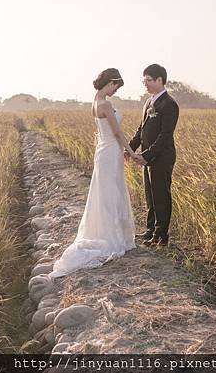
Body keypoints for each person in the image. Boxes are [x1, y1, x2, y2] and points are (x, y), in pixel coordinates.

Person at [48, 68, 139, 279]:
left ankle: (112, 233)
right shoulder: (105, 104)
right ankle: (112, 237)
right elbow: (117, 132)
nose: (116, 90)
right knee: (110, 193)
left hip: (105, 151)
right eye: (116, 86)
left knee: (106, 192)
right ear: (111, 82)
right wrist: (131, 152)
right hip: (110, 151)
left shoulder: (95, 101)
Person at [128, 64, 179, 246]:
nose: (146, 84)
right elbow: (141, 129)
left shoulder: (170, 104)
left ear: (160, 80)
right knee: (150, 196)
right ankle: (151, 230)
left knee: (161, 196)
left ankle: (161, 235)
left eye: (149, 80)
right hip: (148, 158)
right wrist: (130, 149)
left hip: (162, 158)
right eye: (144, 81)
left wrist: (146, 155)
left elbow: (165, 136)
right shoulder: (148, 102)